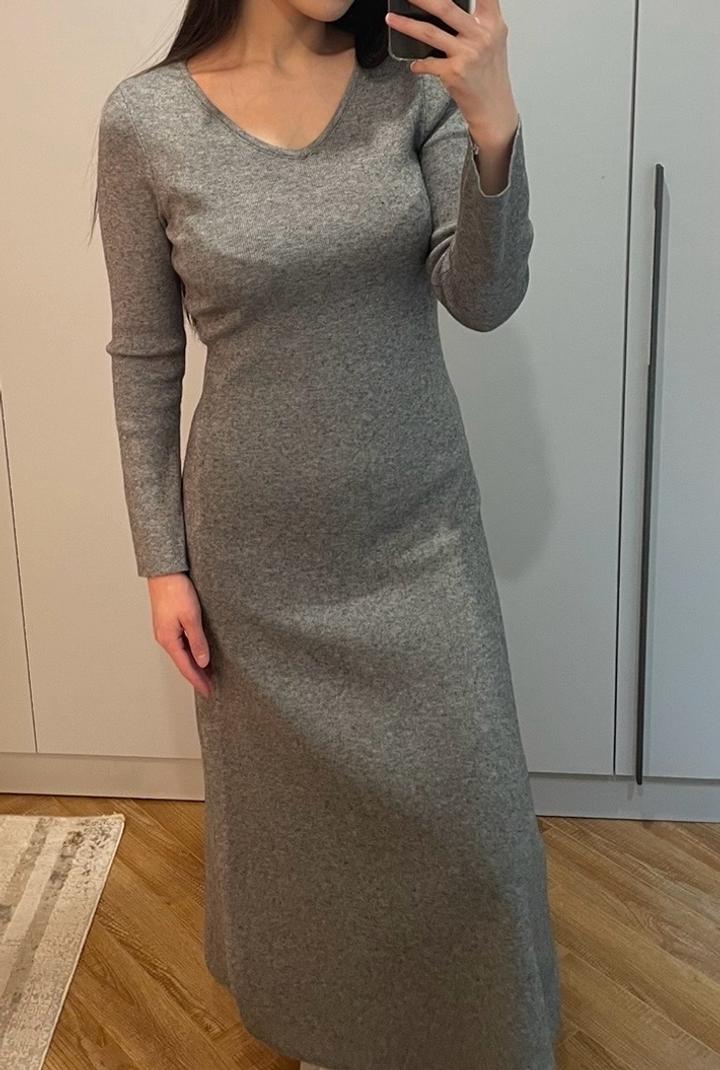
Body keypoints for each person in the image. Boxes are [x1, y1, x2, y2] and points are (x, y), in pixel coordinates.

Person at [93, 1, 561, 1068]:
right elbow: (144, 357)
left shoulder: (411, 91)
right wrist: (162, 561)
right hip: (254, 559)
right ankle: (332, 1034)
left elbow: (484, 297)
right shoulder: (145, 122)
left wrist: (493, 127)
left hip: (418, 532)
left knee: (472, 828)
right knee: (301, 843)